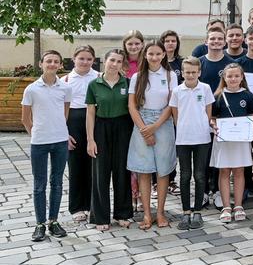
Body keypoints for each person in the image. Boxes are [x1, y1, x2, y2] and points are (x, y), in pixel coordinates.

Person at [127, 40, 178, 229]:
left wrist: (155, 126)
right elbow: (132, 105)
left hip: (163, 122)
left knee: (163, 170)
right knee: (144, 169)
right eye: (151, 54)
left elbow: (172, 104)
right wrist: (144, 129)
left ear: (164, 55)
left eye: (158, 54)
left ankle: (161, 212)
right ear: (145, 55)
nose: (154, 57)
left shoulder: (171, 75)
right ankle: (147, 214)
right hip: (142, 120)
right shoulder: (138, 76)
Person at [22, 50, 72, 241]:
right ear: (41, 63)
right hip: (39, 143)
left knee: (57, 183)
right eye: (48, 61)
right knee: (39, 185)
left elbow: (65, 113)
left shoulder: (65, 88)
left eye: (56, 61)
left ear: (60, 65)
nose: (52, 64)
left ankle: (53, 221)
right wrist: (36, 134)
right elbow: (26, 119)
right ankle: (40, 223)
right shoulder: (32, 89)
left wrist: (60, 131)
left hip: (60, 141)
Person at [86, 49, 133, 231]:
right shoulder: (94, 84)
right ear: (104, 61)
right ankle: (100, 216)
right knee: (100, 173)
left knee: (122, 171)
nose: (115, 64)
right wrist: (91, 139)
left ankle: (123, 213)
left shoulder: (127, 83)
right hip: (101, 127)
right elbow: (90, 112)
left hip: (123, 128)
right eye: (112, 60)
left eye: (119, 61)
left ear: (123, 65)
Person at [169, 57, 214, 230]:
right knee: (185, 175)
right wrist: (183, 128)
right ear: (183, 72)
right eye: (187, 72)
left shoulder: (206, 88)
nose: (190, 75)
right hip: (183, 139)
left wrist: (202, 125)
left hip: (202, 137)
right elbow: (175, 115)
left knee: (200, 175)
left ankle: (197, 212)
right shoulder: (177, 91)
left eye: (193, 72)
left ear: (199, 73)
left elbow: (207, 111)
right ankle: (186, 211)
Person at [210, 64, 253, 223]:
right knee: (224, 172)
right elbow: (213, 118)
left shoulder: (248, 96)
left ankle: (238, 205)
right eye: (229, 76)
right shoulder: (218, 96)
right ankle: (226, 206)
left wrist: (251, 128)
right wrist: (214, 125)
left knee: (239, 171)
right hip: (224, 141)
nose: (233, 79)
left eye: (236, 76)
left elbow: (252, 115)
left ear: (242, 77)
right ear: (224, 78)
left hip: (241, 141)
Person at [64, 46, 98, 223]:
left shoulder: (99, 77)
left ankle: (93, 204)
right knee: (76, 166)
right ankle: (77, 206)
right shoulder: (65, 80)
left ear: (94, 60)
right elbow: (60, 109)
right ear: (74, 59)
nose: (85, 62)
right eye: (81, 58)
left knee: (94, 167)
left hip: (95, 123)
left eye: (89, 59)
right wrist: (65, 133)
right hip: (74, 124)